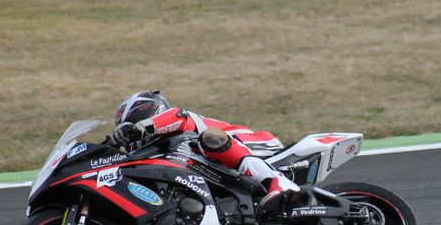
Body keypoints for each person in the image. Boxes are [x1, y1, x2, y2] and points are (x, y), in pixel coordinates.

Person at [107, 90, 300, 213]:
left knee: (209, 138)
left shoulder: (175, 122)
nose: (129, 136)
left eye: (129, 126)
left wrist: (139, 128)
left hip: (257, 146)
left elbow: (177, 116)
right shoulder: (161, 152)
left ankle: (277, 181)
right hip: (226, 174)